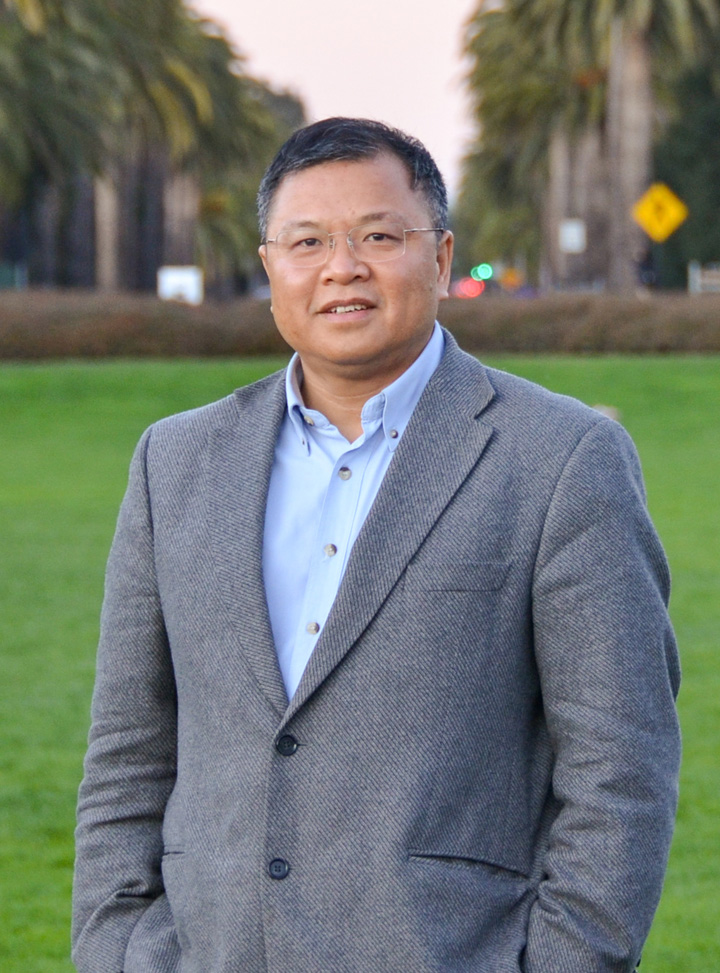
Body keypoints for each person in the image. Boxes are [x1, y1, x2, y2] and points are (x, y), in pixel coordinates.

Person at [72, 117, 681, 973]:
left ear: (440, 257)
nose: (342, 267)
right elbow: (126, 752)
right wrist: (117, 949)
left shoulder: (561, 460)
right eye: (308, 241)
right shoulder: (174, 462)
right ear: (271, 265)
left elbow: (622, 766)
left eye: (379, 237)